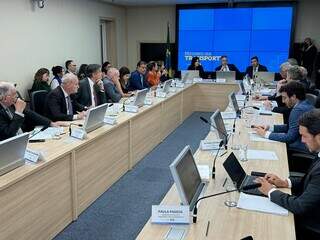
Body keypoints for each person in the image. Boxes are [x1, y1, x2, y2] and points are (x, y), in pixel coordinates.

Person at [255, 109, 320, 240]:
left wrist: (270, 191)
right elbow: (311, 181)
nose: (301, 140)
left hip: (313, 221)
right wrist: (285, 182)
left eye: (305, 136)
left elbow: (300, 206)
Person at [254, 81, 314, 151]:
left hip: (302, 146)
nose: (283, 101)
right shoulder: (305, 104)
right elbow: (291, 127)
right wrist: (270, 128)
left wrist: (266, 134)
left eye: (285, 98)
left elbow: (290, 137)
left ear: (293, 97)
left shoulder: (298, 110)